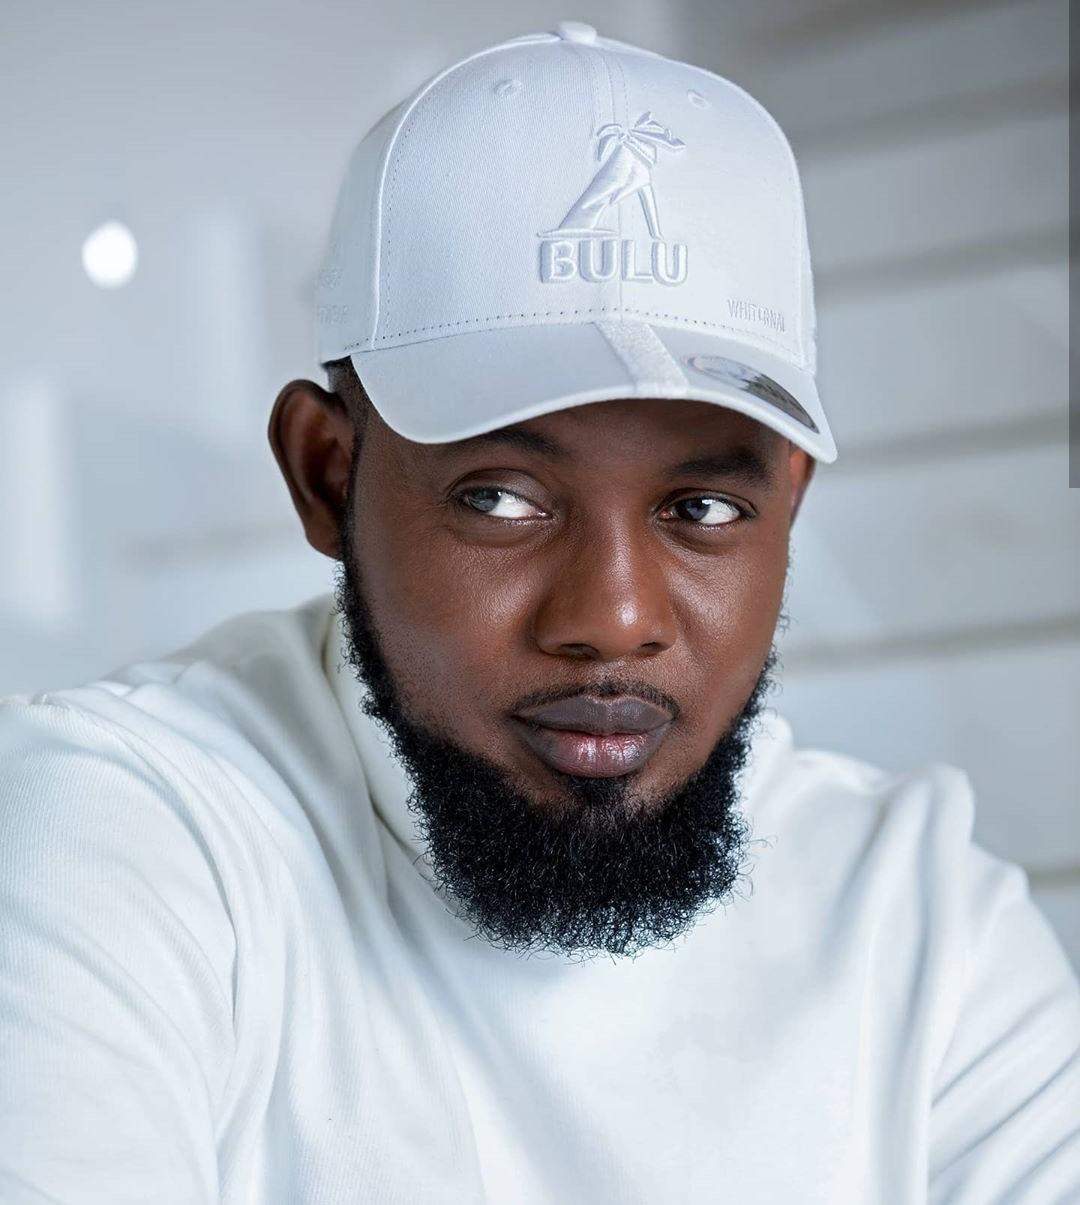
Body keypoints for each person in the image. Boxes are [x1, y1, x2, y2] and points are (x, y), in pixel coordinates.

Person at [1, 20, 1077, 1204]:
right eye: (500, 496)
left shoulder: (926, 925)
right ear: (325, 473)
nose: (613, 617)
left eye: (704, 507)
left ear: (791, 502)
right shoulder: (122, 832)